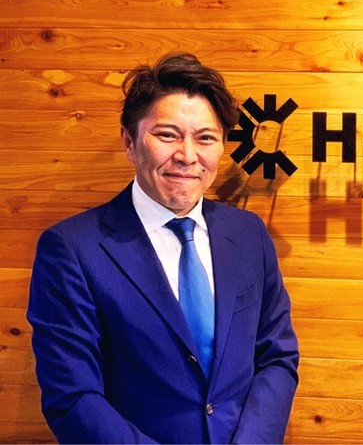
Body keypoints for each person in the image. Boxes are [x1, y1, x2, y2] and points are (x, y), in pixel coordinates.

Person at [27, 52, 300, 444]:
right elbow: (72, 397)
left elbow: (276, 356)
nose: (187, 156)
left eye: (205, 138)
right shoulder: (72, 249)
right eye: (168, 135)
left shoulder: (248, 234)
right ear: (129, 141)